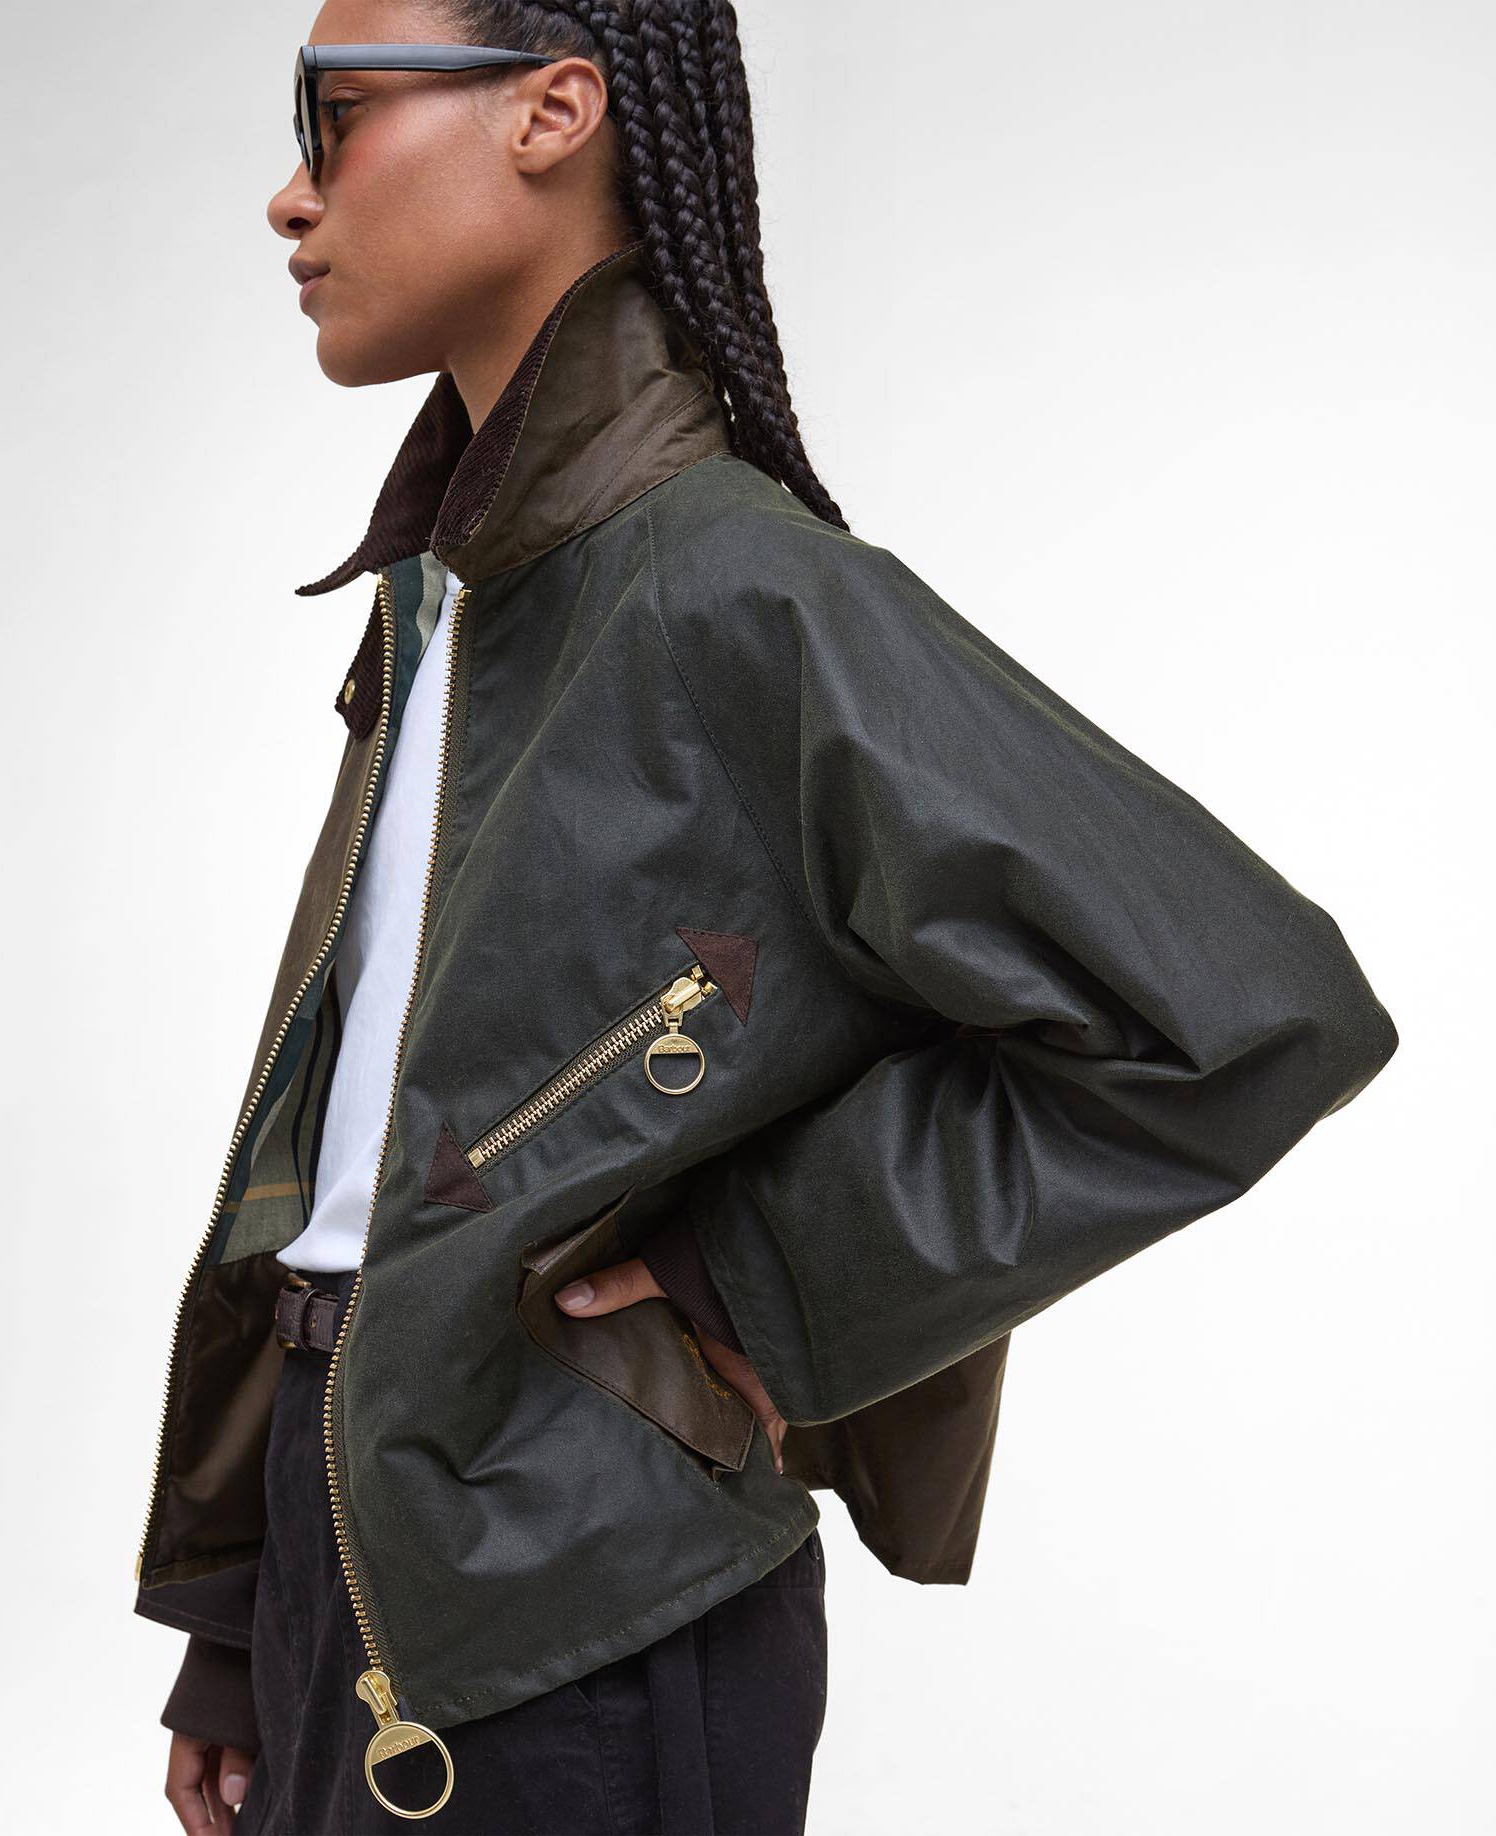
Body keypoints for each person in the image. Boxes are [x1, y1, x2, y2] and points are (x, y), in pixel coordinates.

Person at [133, 3, 1399, 1832]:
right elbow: (345, 1150)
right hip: (355, 1576)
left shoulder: (733, 588)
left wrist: (763, 1282)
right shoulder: (447, 603)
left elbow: (1252, 1012)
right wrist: (241, 1620)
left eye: (333, 115)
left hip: (579, 1631)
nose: (289, 193)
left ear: (555, 110)